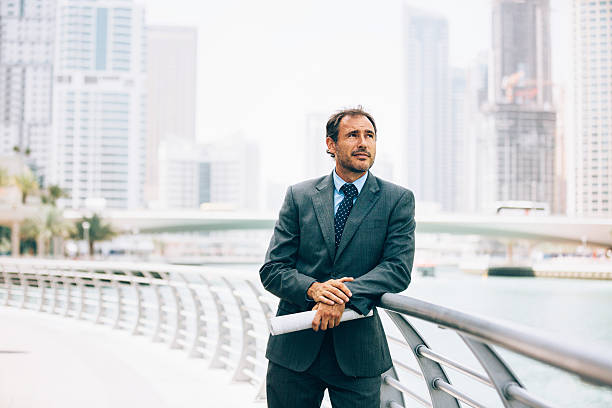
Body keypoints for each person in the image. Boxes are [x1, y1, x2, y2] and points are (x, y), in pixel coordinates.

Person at [259, 107, 415, 408]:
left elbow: (397, 269)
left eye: (369, 135)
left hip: (358, 354)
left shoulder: (397, 199)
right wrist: (314, 289)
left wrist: (340, 295)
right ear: (331, 144)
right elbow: (273, 269)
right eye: (353, 135)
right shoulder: (299, 196)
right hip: (294, 350)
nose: (363, 143)